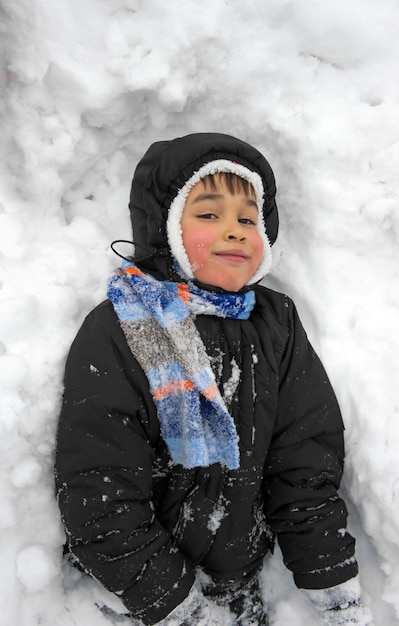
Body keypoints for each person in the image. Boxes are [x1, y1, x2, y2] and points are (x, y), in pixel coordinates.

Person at [55, 133, 373, 625]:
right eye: (209, 214)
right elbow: (101, 486)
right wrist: (178, 606)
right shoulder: (122, 327)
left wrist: (332, 580)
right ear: (163, 230)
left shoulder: (277, 324)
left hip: (239, 583)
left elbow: (304, 459)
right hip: (133, 596)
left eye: (248, 219)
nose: (235, 230)